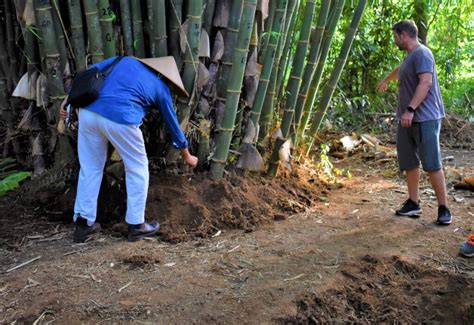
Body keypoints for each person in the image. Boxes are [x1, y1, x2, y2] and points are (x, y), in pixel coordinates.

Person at [60, 56, 198, 242]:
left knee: (91, 167)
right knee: (137, 168)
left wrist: (67, 102)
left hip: (88, 112)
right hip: (121, 118)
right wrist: (188, 156)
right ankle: (137, 225)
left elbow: (87, 75)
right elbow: (173, 125)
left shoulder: (123, 61)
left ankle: (83, 225)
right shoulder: (160, 86)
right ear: (166, 76)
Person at [377, 20, 452, 225]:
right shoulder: (410, 57)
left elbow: (426, 82)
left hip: (424, 117)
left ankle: (444, 208)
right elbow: (401, 70)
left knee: (432, 163)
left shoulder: (423, 54)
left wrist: (410, 110)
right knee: (410, 161)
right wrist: (386, 80)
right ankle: (413, 203)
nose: (394, 40)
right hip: (407, 119)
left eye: (395, 36)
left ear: (403, 35)